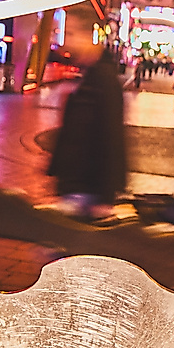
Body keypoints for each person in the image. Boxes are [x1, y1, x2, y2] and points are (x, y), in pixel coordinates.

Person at [46, 36, 127, 221]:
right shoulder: (88, 74)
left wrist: (106, 196)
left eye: (73, 34)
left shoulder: (104, 80)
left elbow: (112, 137)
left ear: (88, 38)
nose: (69, 41)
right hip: (76, 186)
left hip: (87, 190)